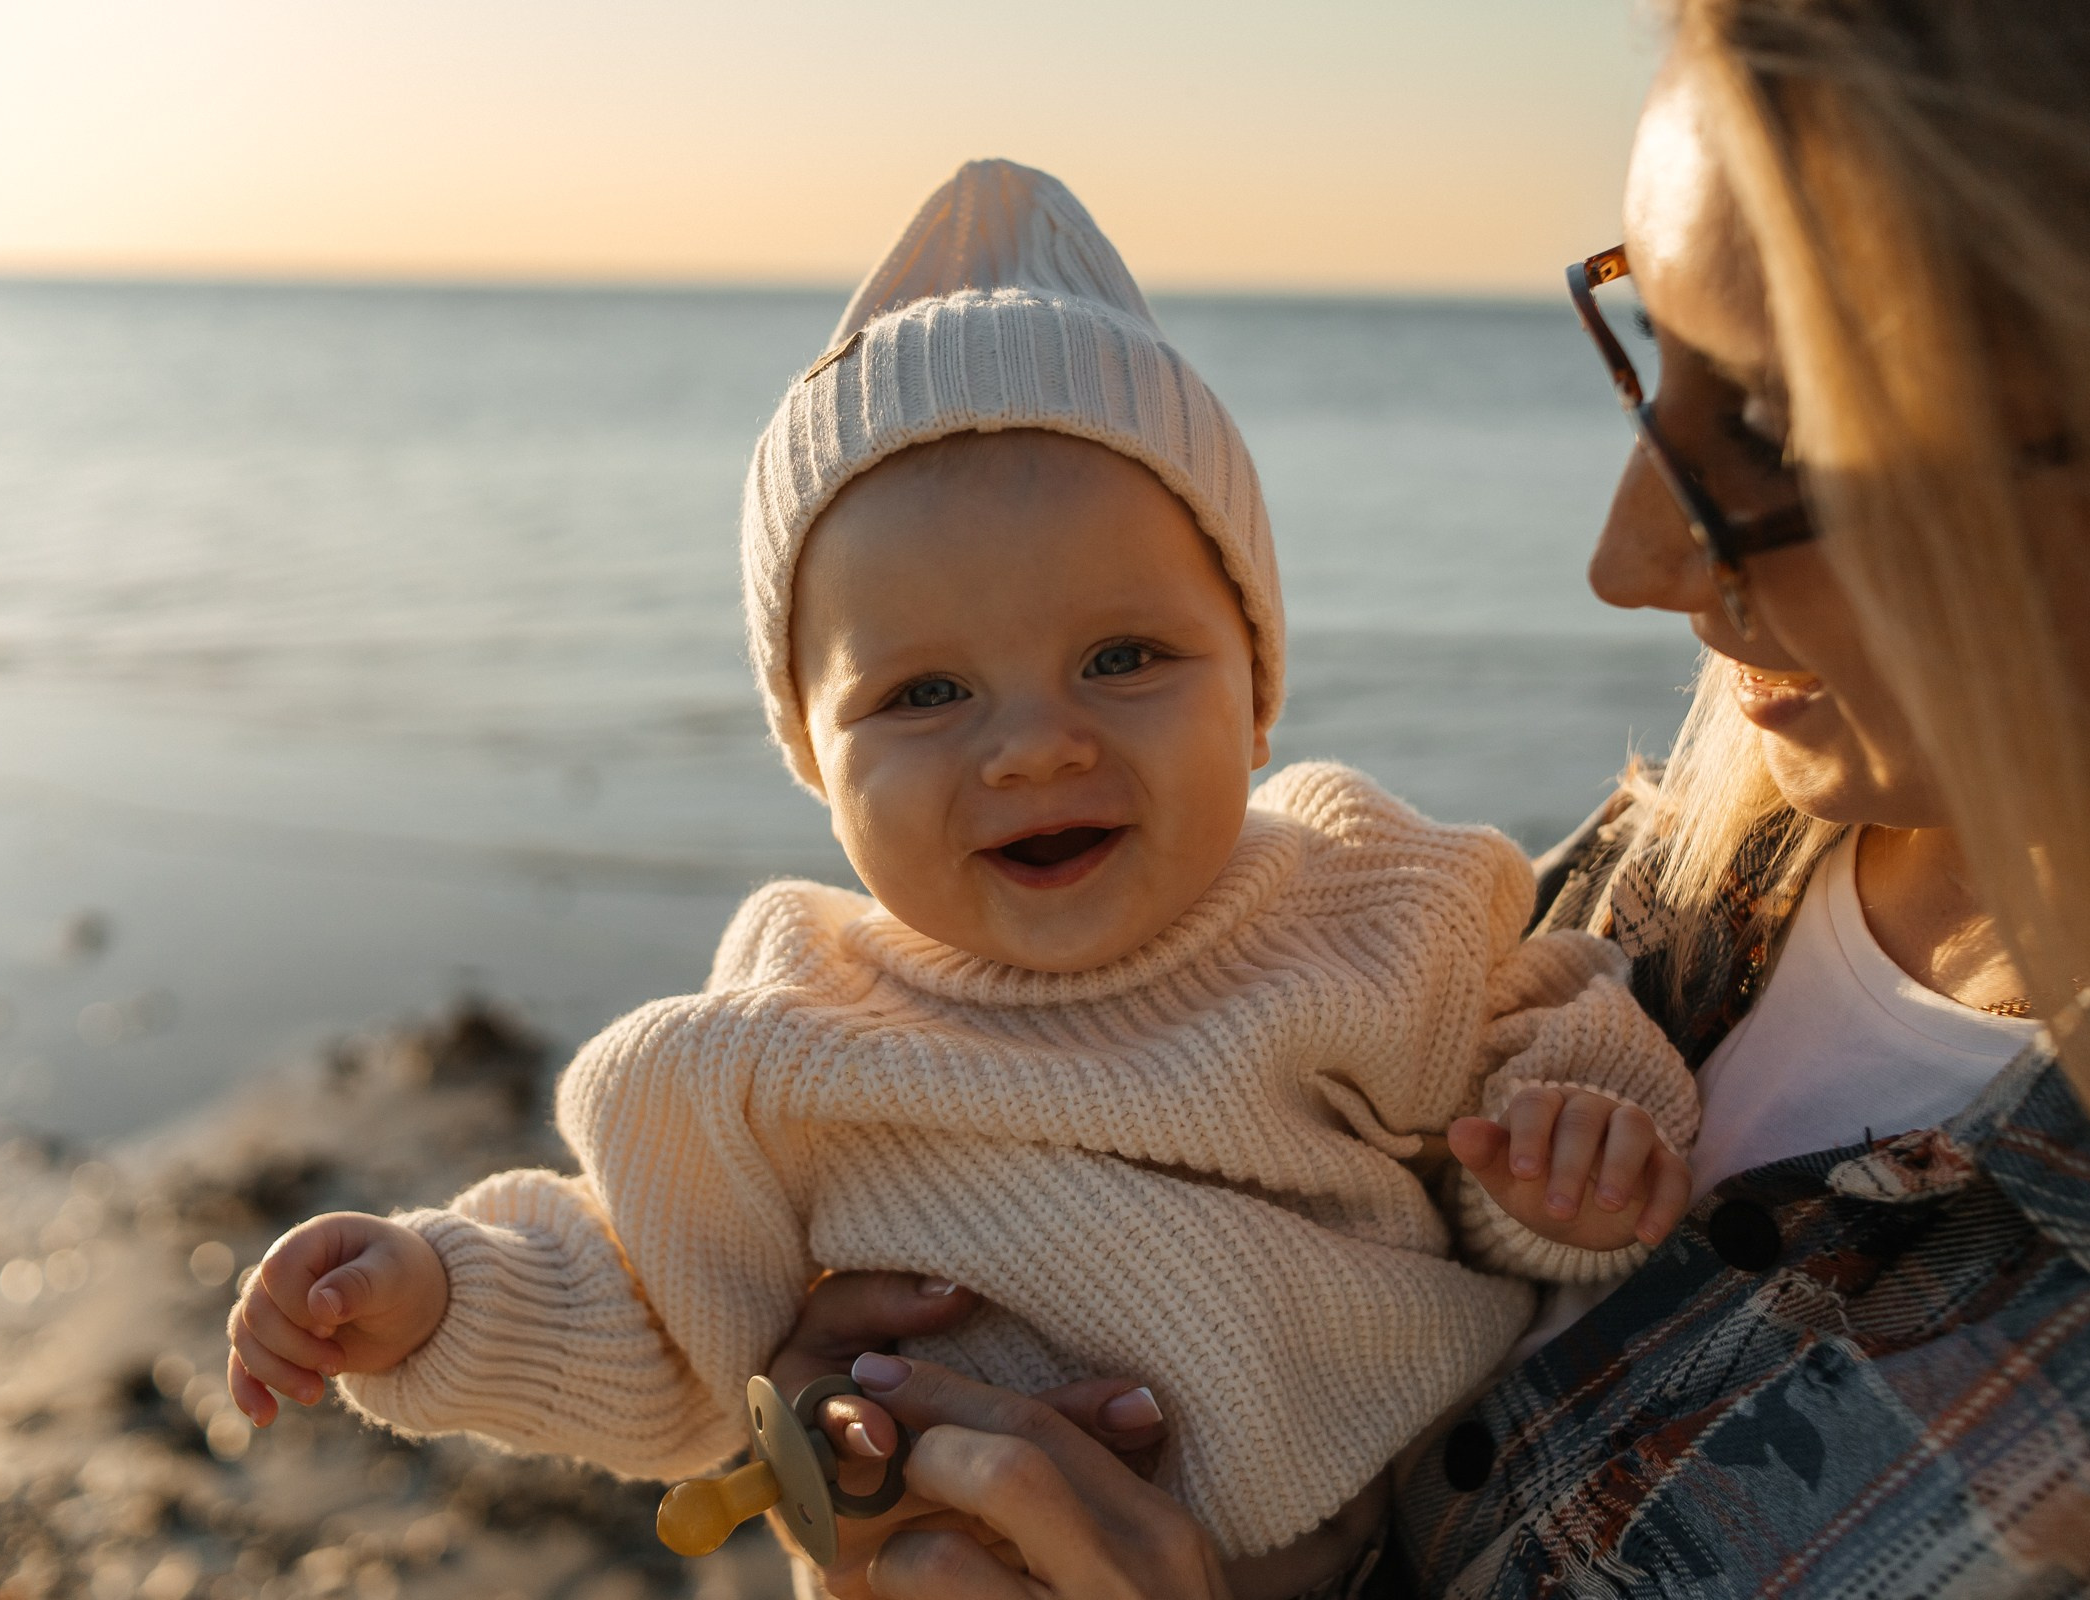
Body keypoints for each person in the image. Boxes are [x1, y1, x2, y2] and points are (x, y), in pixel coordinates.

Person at [771, 4, 2090, 1595]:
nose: (1626, 563)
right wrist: (904, 1478)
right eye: (1646, 349)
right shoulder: (1669, 878)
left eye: (1782, 419)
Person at [221, 160, 1705, 1592]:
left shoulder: (1364, 901)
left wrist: (1565, 1166)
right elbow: (650, 1307)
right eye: (925, 695)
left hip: (1409, 1543)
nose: (1036, 749)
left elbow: (1532, 1061)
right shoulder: (788, 1032)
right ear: (813, 758)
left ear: (1257, 690)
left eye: (1124, 659)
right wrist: (427, 1297)